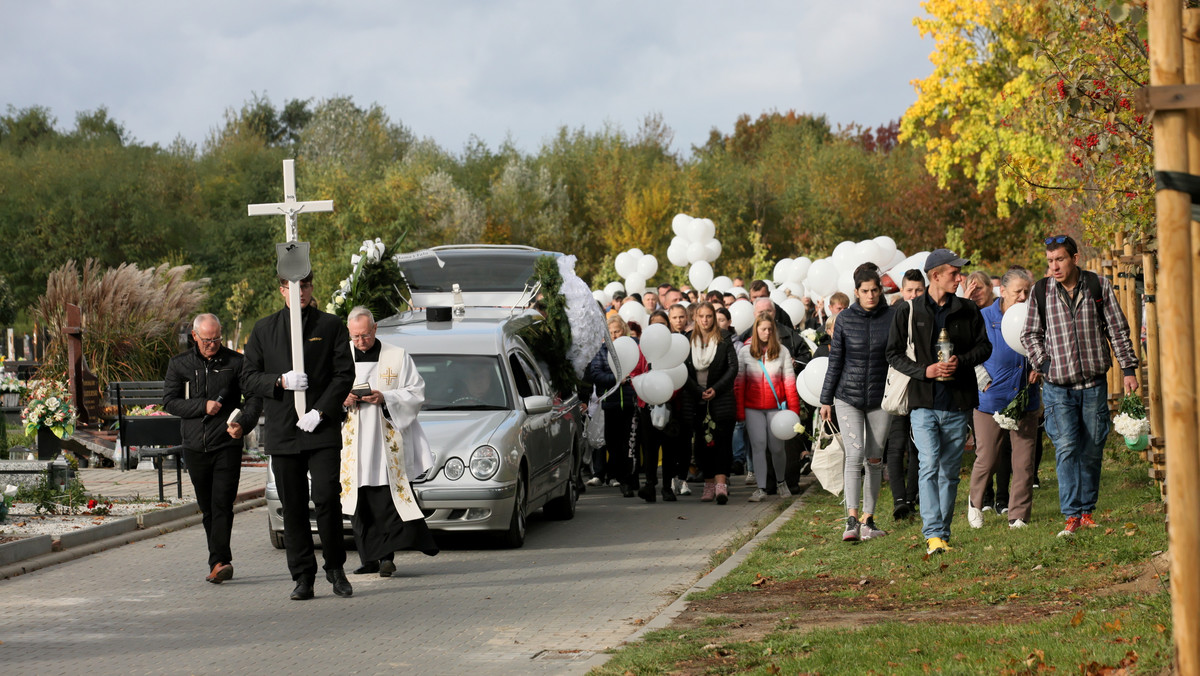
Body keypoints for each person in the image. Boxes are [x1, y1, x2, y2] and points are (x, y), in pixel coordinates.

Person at [243, 273, 356, 600]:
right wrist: (279, 382)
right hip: (284, 431)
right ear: (282, 290)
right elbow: (248, 377)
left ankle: (335, 568)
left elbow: (343, 374)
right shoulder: (265, 330)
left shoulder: (331, 326)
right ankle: (302, 576)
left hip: (320, 429)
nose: (300, 292)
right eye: (293, 287)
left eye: (305, 286)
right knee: (292, 506)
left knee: (325, 498)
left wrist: (320, 411)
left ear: (311, 287)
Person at [1021, 235, 1138, 537]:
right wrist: (1044, 364)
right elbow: (1030, 334)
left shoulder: (1098, 286)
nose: (1054, 266)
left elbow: (1117, 328)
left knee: (1092, 447)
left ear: (1074, 257)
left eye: (1059, 259)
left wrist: (1128, 369)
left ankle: (1087, 511)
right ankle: (1071, 515)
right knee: (1067, 447)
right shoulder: (1041, 292)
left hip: (1093, 384)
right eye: (1049, 261)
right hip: (1059, 387)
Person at [886, 250, 991, 555]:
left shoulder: (968, 309)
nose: (960, 279)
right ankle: (932, 533)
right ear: (935, 276)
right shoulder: (908, 310)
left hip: (958, 403)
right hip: (923, 403)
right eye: (954, 274)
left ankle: (943, 534)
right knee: (928, 465)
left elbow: (985, 347)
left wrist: (962, 361)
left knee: (948, 471)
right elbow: (892, 354)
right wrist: (925, 370)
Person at [163, 313, 262, 585]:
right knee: (207, 507)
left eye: (217, 339)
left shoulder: (236, 362)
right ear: (195, 336)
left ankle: (221, 561)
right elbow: (169, 402)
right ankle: (217, 559)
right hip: (194, 446)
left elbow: (254, 398)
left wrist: (243, 423)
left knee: (222, 504)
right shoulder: (179, 364)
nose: (212, 344)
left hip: (226, 444)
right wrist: (201, 405)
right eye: (207, 340)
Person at [340, 307, 439, 577]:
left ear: (374, 329)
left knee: (385, 502)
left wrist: (385, 397)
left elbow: (416, 391)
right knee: (357, 504)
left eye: (365, 335)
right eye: (355, 336)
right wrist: (343, 399)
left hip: (384, 439)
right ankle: (368, 558)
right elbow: (327, 390)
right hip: (351, 441)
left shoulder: (396, 355)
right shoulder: (340, 356)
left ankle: (385, 558)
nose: (360, 341)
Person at [819, 264, 894, 542]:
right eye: (865, 291)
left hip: (880, 398)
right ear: (856, 292)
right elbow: (835, 360)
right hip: (847, 395)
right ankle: (851, 520)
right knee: (855, 453)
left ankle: (868, 521)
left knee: (875, 457)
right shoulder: (844, 320)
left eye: (875, 290)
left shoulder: (893, 317)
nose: (871, 295)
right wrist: (826, 398)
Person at [969, 267, 1040, 530]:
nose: (1023, 296)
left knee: (1023, 461)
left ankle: (1018, 514)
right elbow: (969, 352)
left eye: (1027, 291)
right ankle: (975, 504)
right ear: (1003, 292)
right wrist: (982, 381)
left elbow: (1042, 346)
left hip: (1024, 397)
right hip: (990, 398)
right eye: (1017, 292)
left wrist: (1038, 368)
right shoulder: (984, 317)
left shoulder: (1034, 315)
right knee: (987, 457)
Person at [735, 313, 801, 502]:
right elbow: (739, 384)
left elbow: (790, 383)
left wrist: (794, 413)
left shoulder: (782, 352)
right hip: (752, 407)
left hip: (776, 408)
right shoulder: (745, 352)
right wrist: (740, 411)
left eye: (770, 329)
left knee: (777, 448)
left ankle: (781, 482)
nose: (766, 332)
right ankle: (761, 488)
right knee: (758, 446)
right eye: (763, 329)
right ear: (756, 330)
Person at [586, 315, 646, 497]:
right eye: (610, 333)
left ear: (624, 331)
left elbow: (641, 370)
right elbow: (596, 375)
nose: (614, 336)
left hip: (630, 403)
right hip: (610, 405)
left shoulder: (634, 348)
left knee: (629, 444)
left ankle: (629, 479)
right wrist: (616, 380)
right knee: (613, 445)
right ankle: (620, 476)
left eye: (617, 331)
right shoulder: (602, 351)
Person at [885, 270, 925, 520]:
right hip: (899, 387)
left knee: (918, 447)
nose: (913, 295)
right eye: (909, 290)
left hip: (922, 388)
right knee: (896, 445)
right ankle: (899, 499)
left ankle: (911, 498)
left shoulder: (930, 314)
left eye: (918, 290)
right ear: (902, 291)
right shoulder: (895, 315)